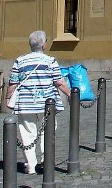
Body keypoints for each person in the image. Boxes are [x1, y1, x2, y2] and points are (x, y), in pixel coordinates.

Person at [6, 30, 70, 175]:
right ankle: (46, 161)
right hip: (47, 103)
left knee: (27, 133)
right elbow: (59, 82)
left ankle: (30, 166)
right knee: (47, 132)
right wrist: (71, 94)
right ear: (44, 45)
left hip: (26, 103)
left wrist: (8, 98)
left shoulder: (20, 60)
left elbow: (13, 83)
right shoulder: (50, 61)